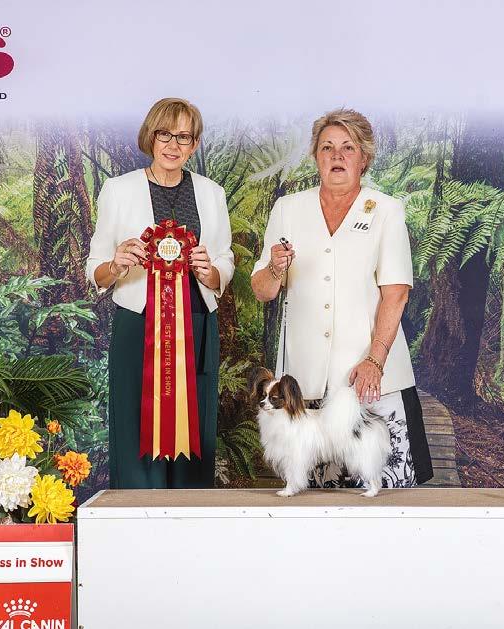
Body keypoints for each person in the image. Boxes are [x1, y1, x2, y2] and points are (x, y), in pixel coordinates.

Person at [251, 108, 433, 488]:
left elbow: (396, 293)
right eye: (327, 147)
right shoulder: (288, 209)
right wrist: (275, 269)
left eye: (348, 147)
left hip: (370, 380)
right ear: (315, 157)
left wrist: (374, 360)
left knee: (380, 494)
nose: (337, 156)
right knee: (320, 503)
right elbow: (262, 290)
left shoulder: (386, 210)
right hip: (307, 387)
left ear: (364, 158)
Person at [86, 97, 234, 489]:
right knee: (136, 433)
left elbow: (225, 259)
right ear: (150, 137)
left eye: (183, 137)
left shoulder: (212, 193)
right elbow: (95, 269)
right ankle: (137, 515)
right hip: (139, 327)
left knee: (192, 438)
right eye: (164, 134)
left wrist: (210, 272)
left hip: (196, 328)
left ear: (194, 144)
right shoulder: (118, 190)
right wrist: (116, 264)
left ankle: (189, 517)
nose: (173, 145)